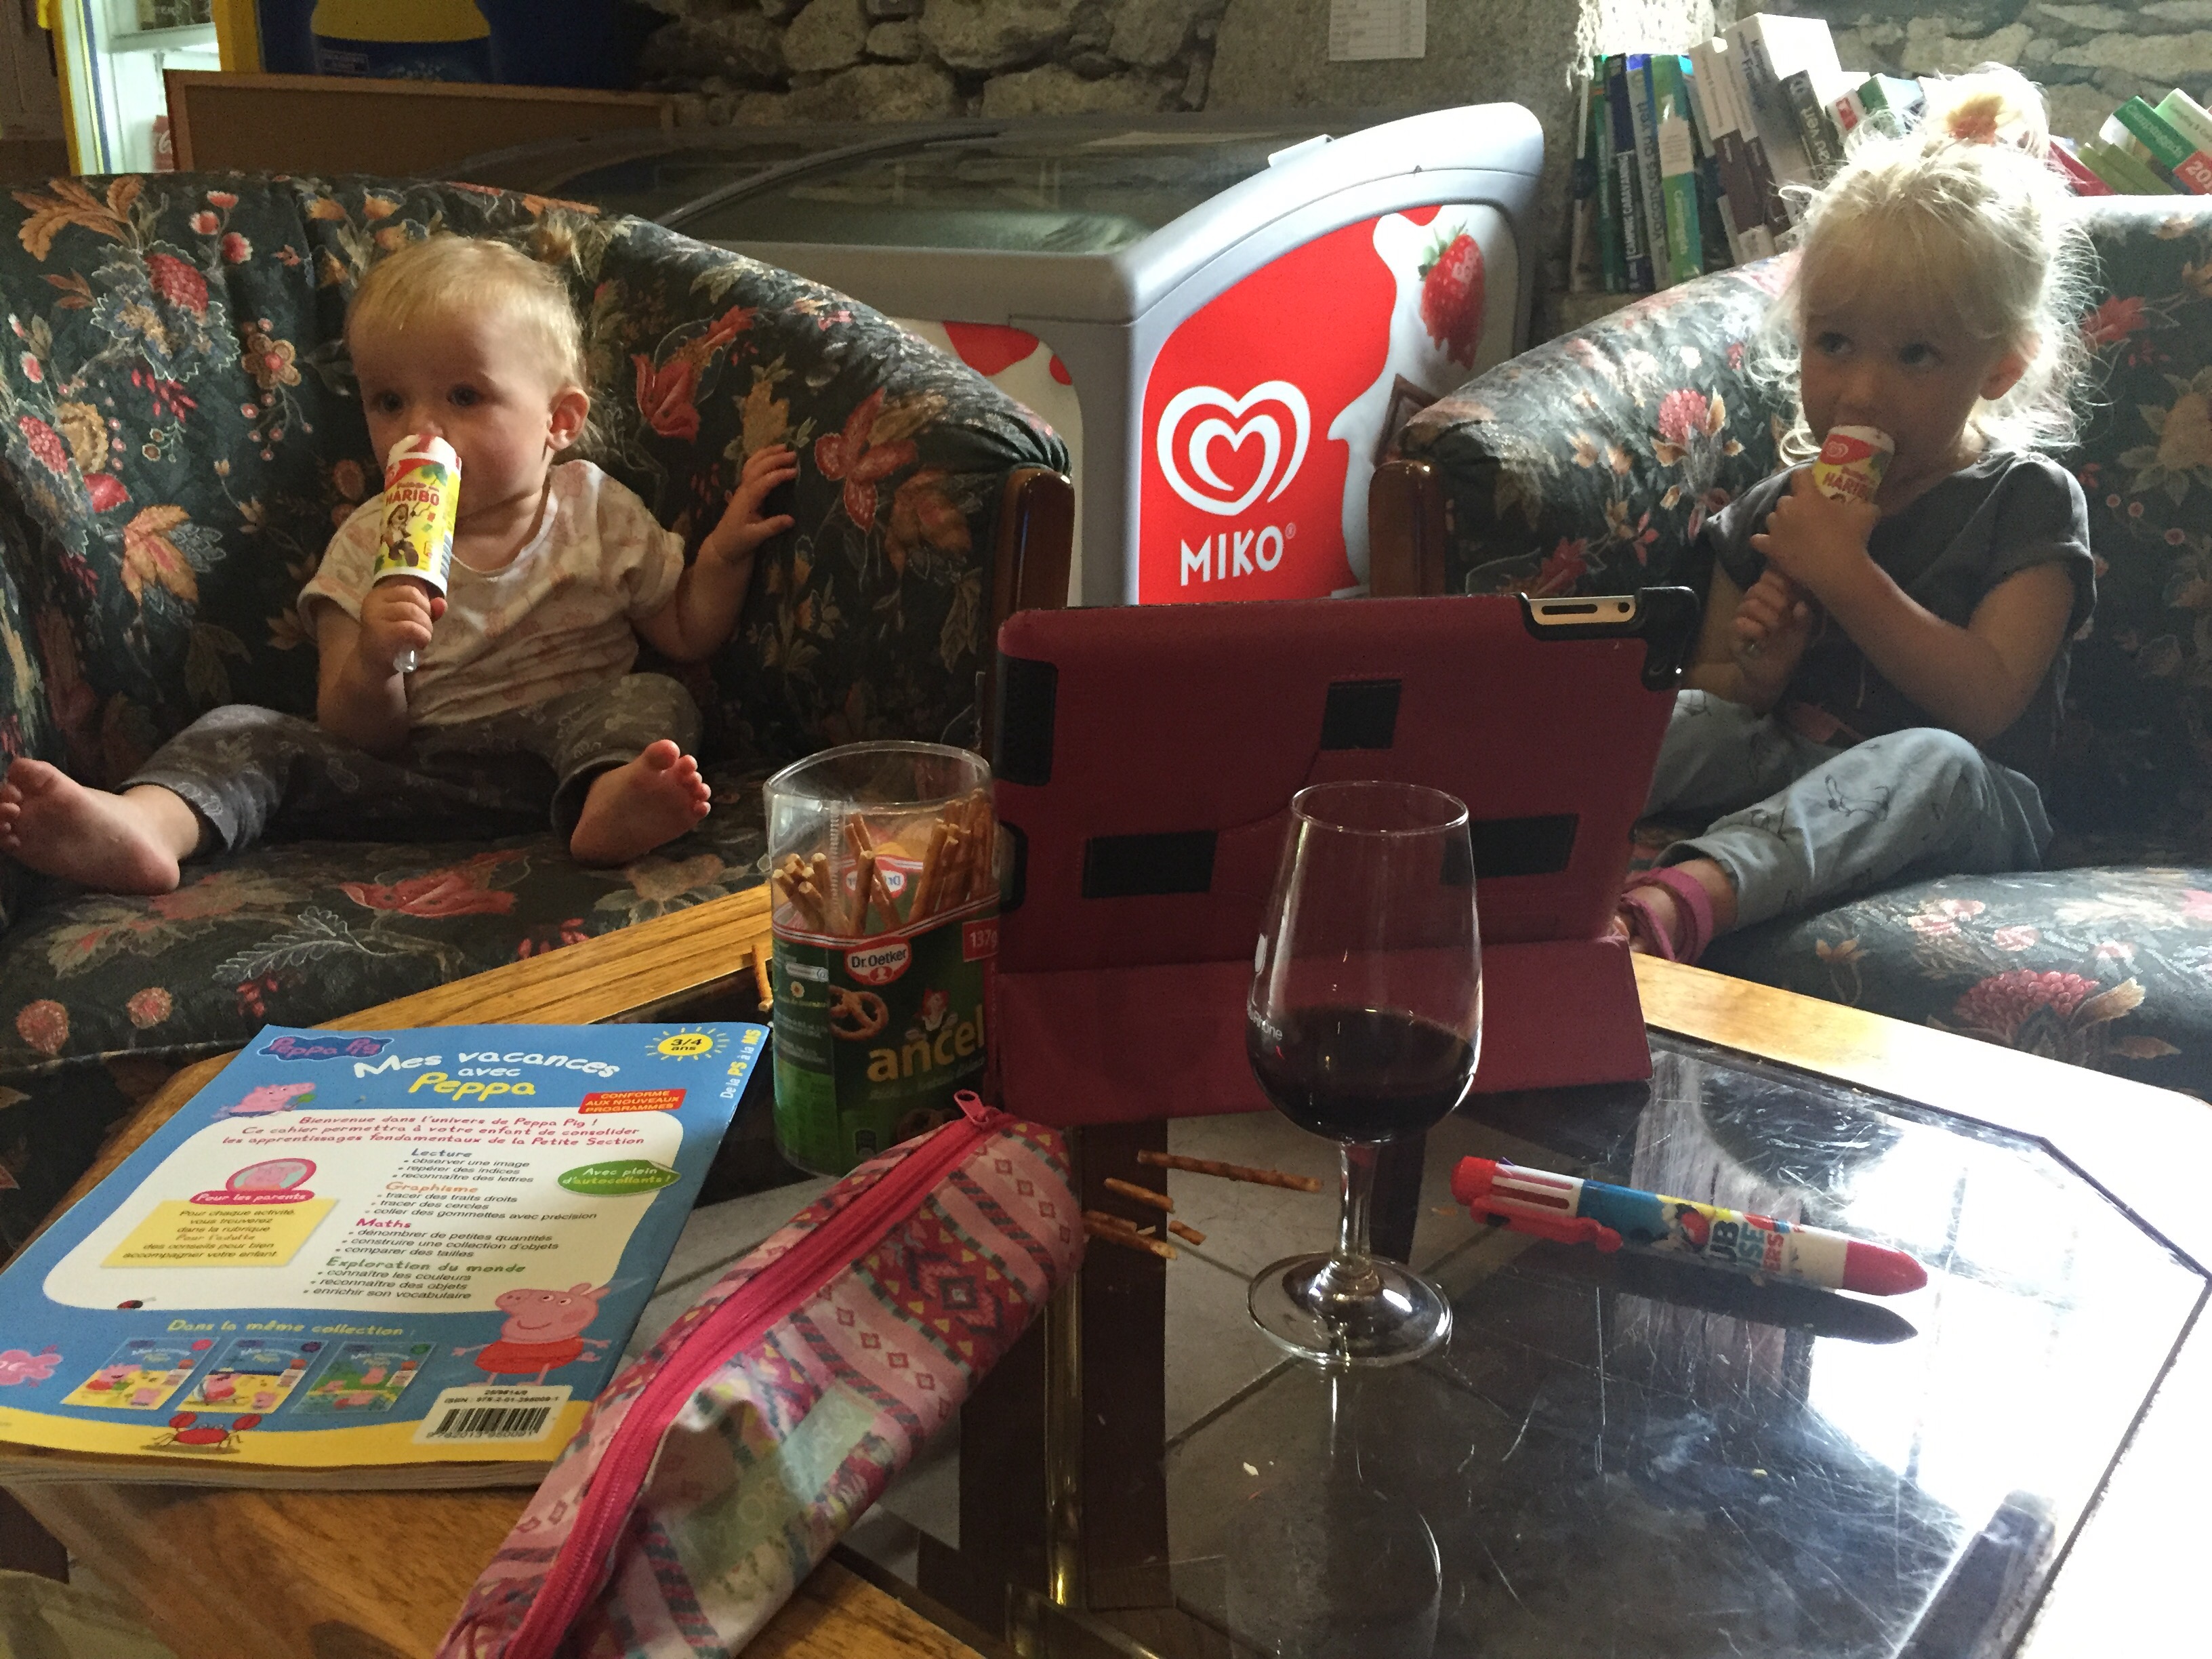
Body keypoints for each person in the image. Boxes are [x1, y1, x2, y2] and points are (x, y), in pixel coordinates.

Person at [0, 233, 798, 892]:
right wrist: (378, 658)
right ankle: (148, 826)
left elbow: (685, 632)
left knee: (653, 698)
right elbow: (357, 733)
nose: (423, 430)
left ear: (559, 421)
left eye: (463, 397)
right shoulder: (368, 540)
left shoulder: (597, 508)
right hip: (407, 772)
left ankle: (611, 808)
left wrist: (724, 552)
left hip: (559, 756)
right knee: (243, 732)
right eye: (390, 402)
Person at [1616, 68, 2097, 962]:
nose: (1861, 392)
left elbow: (1986, 703)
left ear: (1998, 368)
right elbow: (1719, 686)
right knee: (1686, 718)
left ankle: (1689, 897)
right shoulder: (1778, 510)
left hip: (1964, 803)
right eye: (1834, 343)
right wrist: (1757, 674)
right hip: (1793, 767)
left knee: (1931, 758)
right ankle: (1490, 823)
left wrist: (1849, 576)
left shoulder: (2025, 502)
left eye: (1915, 355)